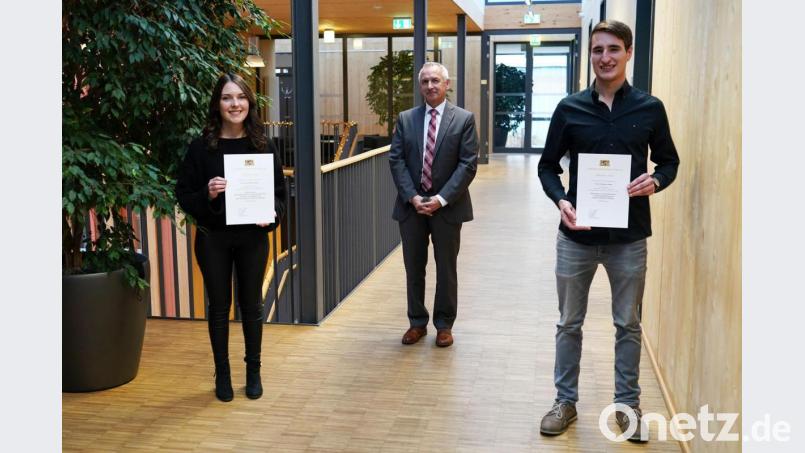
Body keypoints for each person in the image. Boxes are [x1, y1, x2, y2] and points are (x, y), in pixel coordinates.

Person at [536, 21, 680, 441]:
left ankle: (627, 407)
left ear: (628, 52)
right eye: (597, 50)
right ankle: (565, 402)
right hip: (576, 237)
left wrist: (656, 180)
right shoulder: (570, 108)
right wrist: (560, 199)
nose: (605, 57)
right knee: (569, 324)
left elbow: (669, 162)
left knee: (628, 325)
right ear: (591, 55)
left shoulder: (650, 109)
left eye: (613, 49)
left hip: (629, 240)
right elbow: (548, 165)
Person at [176, 73, 286, 402]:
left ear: (249, 102)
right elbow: (183, 194)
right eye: (227, 98)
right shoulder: (200, 146)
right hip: (213, 239)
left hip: (252, 239)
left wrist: (273, 215)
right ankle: (222, 373)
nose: (234, 104)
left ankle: (254, 371)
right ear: (218, 104)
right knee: (220, 308)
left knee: (252, 307)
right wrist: (207, 194)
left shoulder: (263, 144)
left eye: (240, 97)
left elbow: (280, 195)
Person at [388, 62, 479, 348]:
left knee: (446, 268)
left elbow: (468, 164)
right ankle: (416, 323)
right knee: (413, 268)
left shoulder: (464, 119)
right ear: (420, 86)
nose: (430, 86)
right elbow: (397, 159)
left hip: (448, 208)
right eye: (425, 81)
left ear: (446, 84)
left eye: (436, 80)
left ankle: (444, 325)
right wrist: (412, 196)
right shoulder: (406, 119)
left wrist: (440, 200)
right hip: (411, 207)